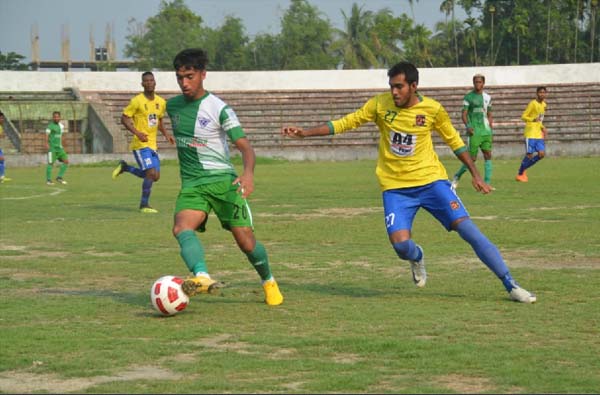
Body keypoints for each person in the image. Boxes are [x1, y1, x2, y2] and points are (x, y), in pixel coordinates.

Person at [281, 62, 536, 303]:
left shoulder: (433, 109)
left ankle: (510, 284)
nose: (394, 92)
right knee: (402, 246)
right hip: (395, 189)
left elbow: (455, 142)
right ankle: (417, 257)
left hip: (432, 183)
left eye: (399, 86)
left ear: (414, 86)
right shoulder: (379, 105)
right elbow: (347, 122)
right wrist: (305, 133)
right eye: (391, 86)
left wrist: (475, 174)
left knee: (468, 231)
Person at [165, 48, 283, 306]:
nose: (184, 83)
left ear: (203, 75)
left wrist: (248, 174)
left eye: (190, 76)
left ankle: (269, 281)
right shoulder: (171, 106)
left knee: (246, 242)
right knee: (181, 227)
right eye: (180, 77)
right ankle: (202, 276)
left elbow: (245, 147)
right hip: (193, 185)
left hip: (225, 184)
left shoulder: (219, 109)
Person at [112, 71, 175, 213]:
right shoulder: (137, 101)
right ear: (142, 84)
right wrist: (137, 133)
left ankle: (125, 168)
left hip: (152, 145)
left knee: (155, 176)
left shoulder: (161, 102)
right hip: (140, 145)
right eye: (146, 81)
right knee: (151, 173)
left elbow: (158, 120)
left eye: (151, 80)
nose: (149, 83)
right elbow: (124, 118)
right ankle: (144, 205)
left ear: (155, 82)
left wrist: (166, 134)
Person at [451, 74, 494, 190]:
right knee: (472, 159)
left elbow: (489, 113)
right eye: (475, 82)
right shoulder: (468, 97)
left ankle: (487, 182)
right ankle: (457, 176)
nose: (477, 84)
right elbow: (464, 114)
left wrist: (490, 125)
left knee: (488, 155)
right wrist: (468, 126)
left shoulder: (488, 98)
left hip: (486, 131)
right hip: (474, 131)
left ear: (483, 83)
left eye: (480, 82)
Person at [516, 87, 548, 182]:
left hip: (538, 133)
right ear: (537, 93)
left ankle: (522, 169)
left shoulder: (544, 105)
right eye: (540, 92)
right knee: (529, 155)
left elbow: (539, 119)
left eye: (544, 92)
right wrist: (532, 119)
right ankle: (520, 174)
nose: (542, 94)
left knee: (541, 154)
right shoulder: (532, 103)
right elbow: (523, 116)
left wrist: (542, 127)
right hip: (530, 133)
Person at [45, 111, 69, 185]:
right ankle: (48, 180)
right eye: (55, 117)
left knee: (66, 161)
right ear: (53, 118)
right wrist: (46, 143)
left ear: (60, 117)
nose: (56, 118)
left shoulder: (61, 126)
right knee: (50, 163)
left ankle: (59, 177)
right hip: (52, 148)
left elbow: (61, 136)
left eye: (58, 117)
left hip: (59, 148)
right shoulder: (50, 126)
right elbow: (46, 135)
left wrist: (63, 145)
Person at [0, 111, 12, 183]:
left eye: (2, 118)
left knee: (2, 160)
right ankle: (2, 177)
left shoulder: (0, 127)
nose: (2, 120)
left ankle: (2, 177)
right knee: (1, 159)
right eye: (1, 118)